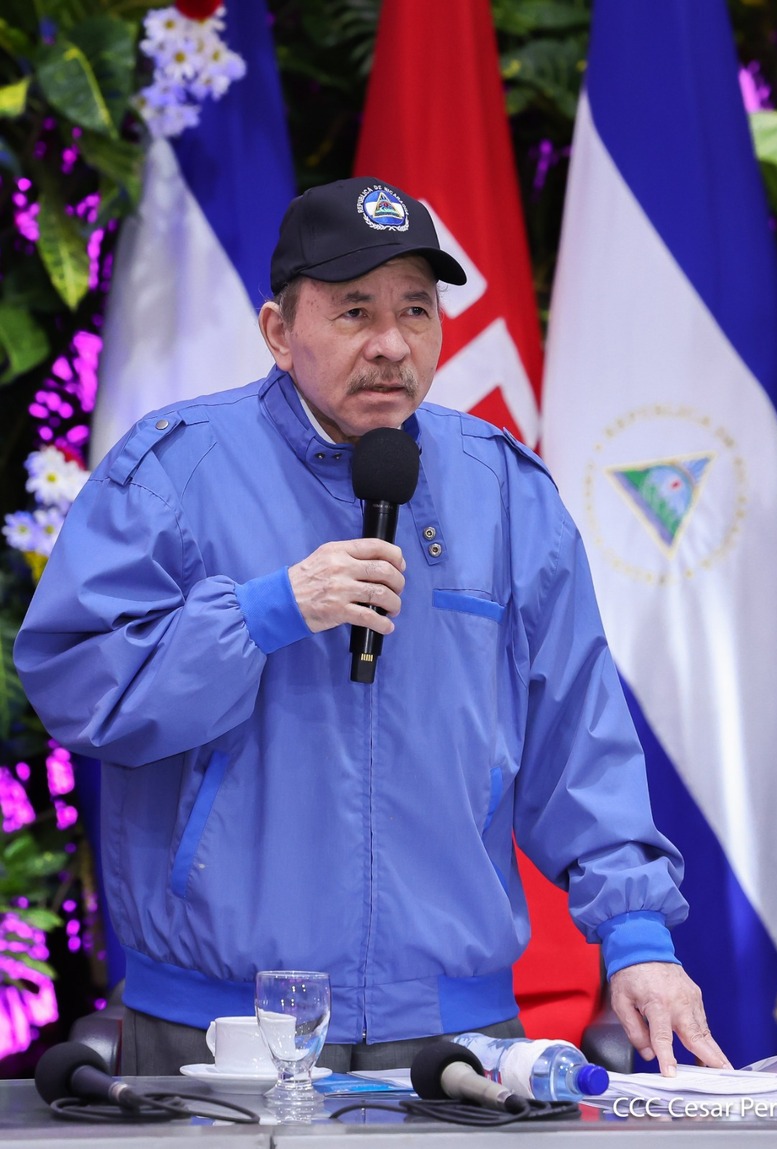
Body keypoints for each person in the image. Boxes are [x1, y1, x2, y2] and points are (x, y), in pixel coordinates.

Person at [15, 177, 729, 1078]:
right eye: (355, 311)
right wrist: (264, 612)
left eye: (415, 310)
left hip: (454, 1032)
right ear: (279, 331)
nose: (391, 344)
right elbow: (80, 688)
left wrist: (637, 935)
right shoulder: (172, 471)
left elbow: (577, 738)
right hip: (220, 1027)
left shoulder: (505, 490)